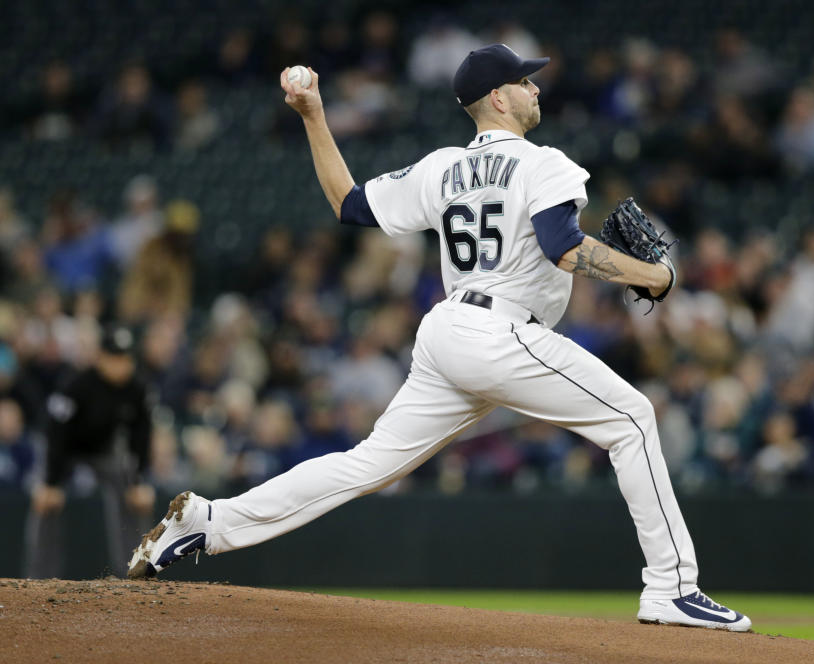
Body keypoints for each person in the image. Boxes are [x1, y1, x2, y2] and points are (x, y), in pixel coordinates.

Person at [128, 44, 751, 632]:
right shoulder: (544, 162)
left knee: (366, 465)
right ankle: (671, 588)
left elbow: (348, 203)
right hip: (500, 331)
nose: (536, 87)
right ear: (499, 99)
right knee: (634, 419)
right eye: (525, 80)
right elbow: (564, 248)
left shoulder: (443, 168)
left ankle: (210, 522)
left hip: (449, 331)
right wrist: (656, 277)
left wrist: (314, 115)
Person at [25, 325, 155, 578]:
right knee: (45, 501)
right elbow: (56, 434)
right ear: (100, 357)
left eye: (125, 358)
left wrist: (140, 480)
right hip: (65, 452)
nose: (121, 365)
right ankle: (38, 579)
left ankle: (136, 573)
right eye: (114, 358)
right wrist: (51, 481)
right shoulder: (77, 385)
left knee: (134, 496)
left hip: (103, 452)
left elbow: (141, 436)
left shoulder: (137, 389)